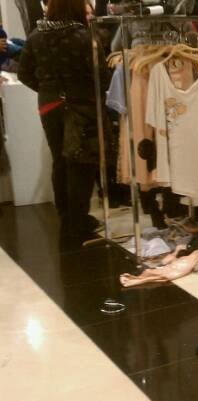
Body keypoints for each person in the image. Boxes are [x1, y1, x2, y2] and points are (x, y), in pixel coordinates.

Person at [18, 0, 109, 239]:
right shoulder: (84, 36)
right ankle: (78, 220)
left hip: (49, 106)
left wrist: (47, 90)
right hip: (81, 105)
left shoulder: (36, 36)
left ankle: (66, 216)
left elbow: (24, 73)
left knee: (60, 161)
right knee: (81, 163)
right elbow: (101, 76)